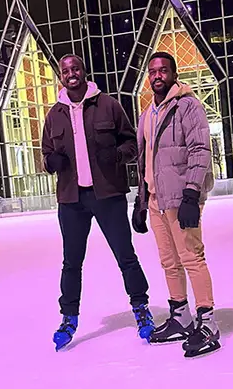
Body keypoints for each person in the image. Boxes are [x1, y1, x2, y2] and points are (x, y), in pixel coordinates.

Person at [42, 54, 154, 351]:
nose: (71, 74)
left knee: (125, 257)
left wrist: (116, 155)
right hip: (71, 200)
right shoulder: (55, 114)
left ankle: (141, 308)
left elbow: (132, 144)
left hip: (108, 196)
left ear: (84, 71)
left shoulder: (108, 105)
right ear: (61, 77)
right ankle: (68, 318)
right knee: (71, 263)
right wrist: (51, 161)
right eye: (66, 71)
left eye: (75, 68)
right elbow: (45, 154)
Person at [132, 52, 219, 358]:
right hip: (156, 200)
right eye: (152, 71)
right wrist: (141, 201)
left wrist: (192, 193)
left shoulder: (188, 105)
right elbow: (145, 160)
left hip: (181, 198)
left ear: (173, 73)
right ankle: (180, 315)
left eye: (163, 70)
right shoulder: (147, 114)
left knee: (191, 257)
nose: (157, 76)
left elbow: (199, 149)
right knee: (169, 262)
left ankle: (208, 321)